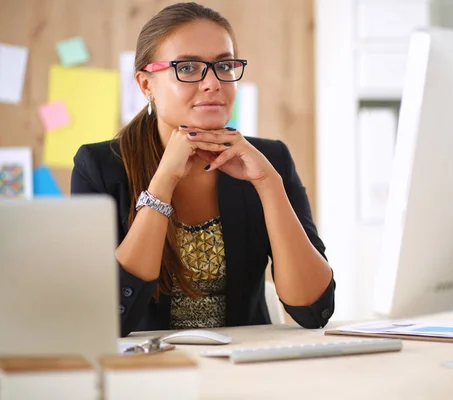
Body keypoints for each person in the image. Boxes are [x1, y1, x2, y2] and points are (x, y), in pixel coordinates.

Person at [71, 2, 335, 337]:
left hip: (246, 370)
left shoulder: (271, 159)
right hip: (151, 374)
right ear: (146, 84)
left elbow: (313, 310)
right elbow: (105, 319)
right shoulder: (99, 167)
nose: (213, 83)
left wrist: (269, 185)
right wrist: (163, 182)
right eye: (189, 67)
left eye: (224, 65)